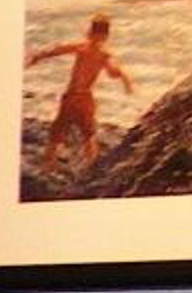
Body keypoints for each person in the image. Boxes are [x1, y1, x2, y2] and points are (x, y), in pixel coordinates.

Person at [26, 14, 135, 187]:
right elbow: (57, 50)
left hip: (83, 99)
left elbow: (113, 70)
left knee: (87, 135)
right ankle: (48, 167)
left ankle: (91, 169)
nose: (94, 37)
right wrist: (37, 57)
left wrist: (125, 80)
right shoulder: (83, 48)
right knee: (58, 132)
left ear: (104, 36)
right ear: (90, 33)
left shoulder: (102, 54)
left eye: (98, 34)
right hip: (71, 98)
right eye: (93, 33)